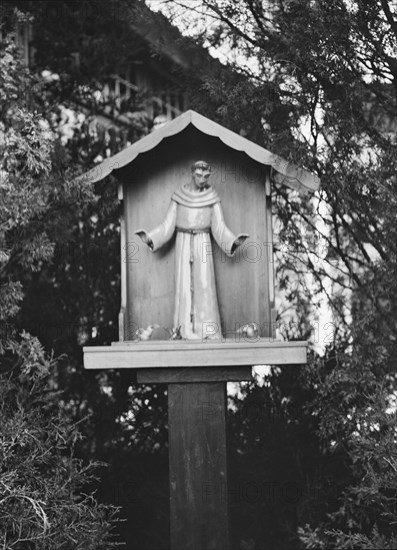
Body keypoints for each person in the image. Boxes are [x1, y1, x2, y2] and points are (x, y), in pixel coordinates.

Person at [135, 161, 249, 339]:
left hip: (203, 242)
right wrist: (150, 237)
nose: (202, 179)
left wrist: (233, 241)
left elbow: (219, 228)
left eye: (206, 176)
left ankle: (208, 332)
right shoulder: (179, 196)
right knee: (184, 288)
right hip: (183, 242)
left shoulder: (212, 197)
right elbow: (168, 225)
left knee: (205, 286)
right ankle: (183, 333)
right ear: (192, 174)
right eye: (198, 175)